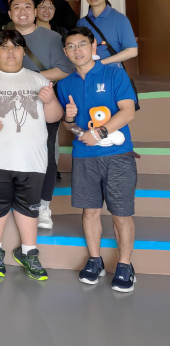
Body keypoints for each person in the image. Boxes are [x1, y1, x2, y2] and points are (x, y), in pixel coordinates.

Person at [0, 29, 64, 281]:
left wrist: (50, 101)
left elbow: (54, 117)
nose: (10, 52)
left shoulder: (38, 80)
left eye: (15, 47)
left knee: (30, 207)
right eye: (4, 47)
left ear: (23, 51)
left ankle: (29, 252)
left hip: (32, 159)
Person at [0, 0, 73, 229]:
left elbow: (64, 68)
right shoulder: (0, 38)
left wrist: (30, 80)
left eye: (27, 7)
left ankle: (42, 205)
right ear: (9, 14)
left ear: (35, 11)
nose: (22, 11)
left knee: (46, 155)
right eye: (16, 7)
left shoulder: (51, 37)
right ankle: (11, 200)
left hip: (42, 105)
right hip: (6, 109)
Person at [57, 27, 138, 292]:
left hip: (117, 155)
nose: (77, 50)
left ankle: (125, 265)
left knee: (121, 213)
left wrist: (99, 132)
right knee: (89, 210)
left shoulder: (115, 73)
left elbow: (127, 113)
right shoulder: (65, 83)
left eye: (82, 44)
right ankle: (95, 261)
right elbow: (69, 126)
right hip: (84, 157)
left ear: (93, 46)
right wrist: (69, 118)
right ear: (66, 52)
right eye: (70, 46)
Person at [76, 0, 138, 68]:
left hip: (112, 73)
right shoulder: (81, 22)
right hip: (87, 72)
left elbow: (132, 51)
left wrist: (100, 63)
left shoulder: (120, 19)